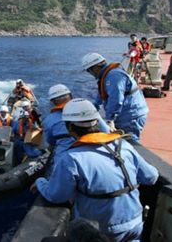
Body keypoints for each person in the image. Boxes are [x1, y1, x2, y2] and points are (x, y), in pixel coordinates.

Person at [31, 98, 159, 241]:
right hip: (135, 224)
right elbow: (151, 177)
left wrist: (41, 183)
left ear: (70, 128)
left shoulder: (71, 158)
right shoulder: (122, 145)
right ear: (97, 122)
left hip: (101, 229)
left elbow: (57, 196)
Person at [81, 52, 149, 143]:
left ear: (95, 68)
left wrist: (110, 119)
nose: (90, 74)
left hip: (131, 115)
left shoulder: (114, 76)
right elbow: (101, 95)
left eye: (89, 71)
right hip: (125, 113)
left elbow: (116, 99)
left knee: (130, 141)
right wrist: (92, 109)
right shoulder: (106, 76)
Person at [43, 84, 110, 158]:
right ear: (71, 96)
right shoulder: (87, 109)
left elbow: (51, 141)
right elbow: (106, 131)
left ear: (52, 102)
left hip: (66, 154)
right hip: (95, 149)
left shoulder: (49, 120)